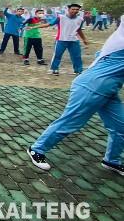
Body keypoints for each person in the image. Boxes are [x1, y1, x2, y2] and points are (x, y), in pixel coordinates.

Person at [28, 15, 124, 176]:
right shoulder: (121, 39)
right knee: (71, 122)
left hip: (109, 90)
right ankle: (37, 149)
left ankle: (111, 161)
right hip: (90, 86)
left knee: (120, 127)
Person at [48, 3, 88, 75]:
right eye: (73, 9)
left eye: (77, 9)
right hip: (61, 39)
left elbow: (79, 30)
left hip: (74, 40)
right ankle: (54, 69)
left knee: (77, 56)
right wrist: (35, 27)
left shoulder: (80, 19)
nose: (75, 11)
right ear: (69, 9)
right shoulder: (61, 17)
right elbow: (50, 24)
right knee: (57, 55)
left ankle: (78, 70)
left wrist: (84, 39)